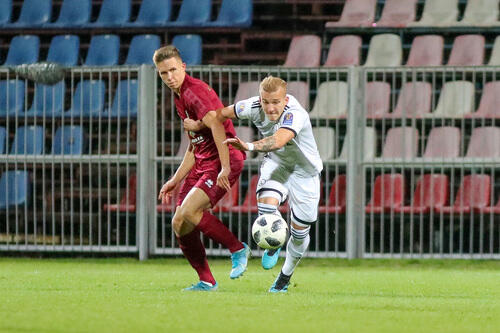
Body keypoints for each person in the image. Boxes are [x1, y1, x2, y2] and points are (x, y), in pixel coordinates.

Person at [184, 76, 322, 293]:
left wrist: (247, 145)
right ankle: (274, 242)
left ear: (285, 100)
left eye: (275, 102)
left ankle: (284, 277)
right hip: (276, 164)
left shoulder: (296, 114)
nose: (270, 107)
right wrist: (199, 124)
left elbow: (278, 140)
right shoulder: (253, 105)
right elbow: (217, 114)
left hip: (305, 173)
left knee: (299, 234)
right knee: (267, 205)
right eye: (266, 101)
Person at [153, 45, 250, 292]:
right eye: (164, 73)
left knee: (189, 212)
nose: (170, 76)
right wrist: (175, 179)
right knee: (179, 223)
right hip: (204, 162)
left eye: (173, 70)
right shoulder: (179, 97)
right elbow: (194, 146)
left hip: (222, 160)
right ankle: (207, 280)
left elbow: (217, 125)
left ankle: (238, 249)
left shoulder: (194, 93)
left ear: (183, 67)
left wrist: (225, 167)